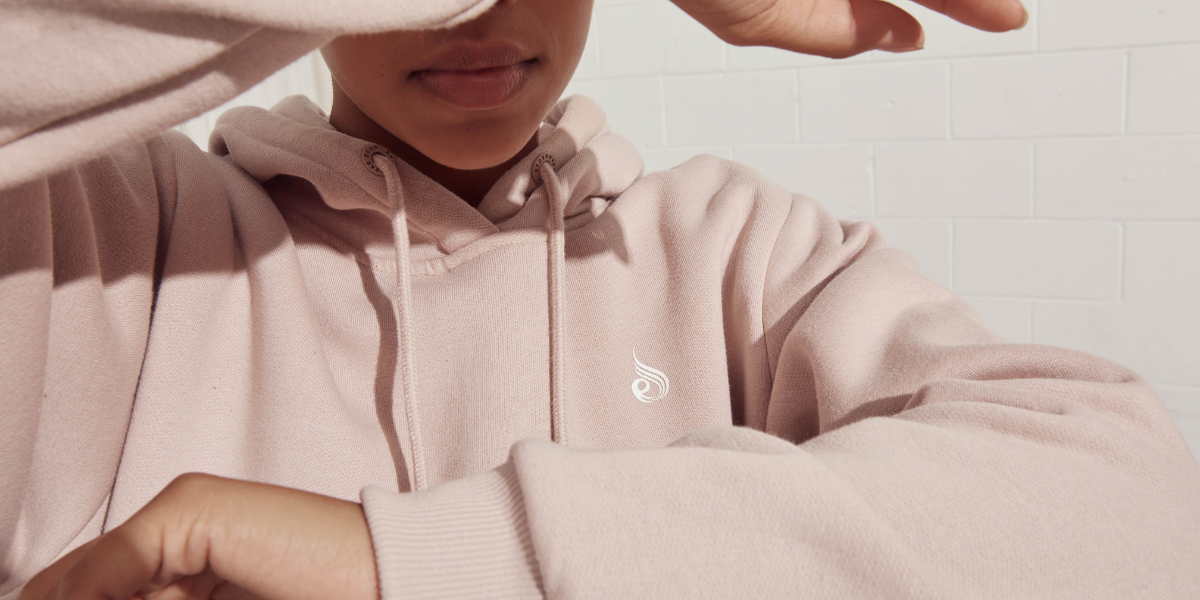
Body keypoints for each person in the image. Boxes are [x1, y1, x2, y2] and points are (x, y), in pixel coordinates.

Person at [2, 0, 1197, 598]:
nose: (486, 13)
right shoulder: (105, 236)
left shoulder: (731, 246)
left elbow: (1134, 501)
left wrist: (410, 562)